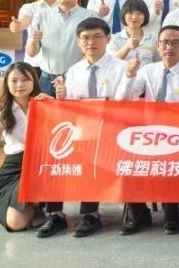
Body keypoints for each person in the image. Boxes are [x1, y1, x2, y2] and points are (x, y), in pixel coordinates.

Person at [39, 17, 128, 238]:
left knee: (90, 156)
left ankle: (91, 215)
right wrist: (61, 98)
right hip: (80, 131)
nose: (91, 42)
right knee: (53, 155)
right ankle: (55, 215)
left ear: (108, 39)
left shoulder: (122, 68)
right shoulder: (74, 70)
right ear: (78, 42)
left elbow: (127, 103)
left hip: (111, 132)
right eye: (85, 38)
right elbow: (68, 109)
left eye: (97, 37)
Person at [115, 25, 179, 236]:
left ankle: (171, 216)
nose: (169, 47)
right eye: (165, 43)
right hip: (147, 134)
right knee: (124, 159)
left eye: (175, 43)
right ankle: (139, 215)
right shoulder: (148, 70)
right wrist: (129, 75)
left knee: (169, 161)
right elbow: (123, 99)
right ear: (157, 45)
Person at [0, 62, 50, 232]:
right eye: (14, 80)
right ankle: (33, 207)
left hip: (40, 163)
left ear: (34, 81)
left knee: (32, 193)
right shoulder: (2, 107)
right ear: (6, 83)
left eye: (25, 79)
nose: (20, 85)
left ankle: (36, 203)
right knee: (15, 223)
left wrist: (54, 103)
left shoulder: (44, 103)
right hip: (14, 166)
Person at [26, 0, 98, 95]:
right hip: (47, 80)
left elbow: (94, 50)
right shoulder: (41, 16)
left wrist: (68, 75)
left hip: (78, 77)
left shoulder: (90, 16)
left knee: (75, 108)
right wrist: (33, 41)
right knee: (45, 108)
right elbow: (31, 53)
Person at [10, 0, 59, 67]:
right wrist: (17, 25)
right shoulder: (30, 8)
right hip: (35, 64)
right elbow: (23, 21)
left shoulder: (67, 8)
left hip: (61, 66)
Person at [110, 0, 159, 67]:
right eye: (130, 13)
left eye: (139, 13)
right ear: (124, 15)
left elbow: (159, 64)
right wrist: (127, 47)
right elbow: (110, 63)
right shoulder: (115, 39)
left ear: (145, 16)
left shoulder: (153, 38)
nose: (134, 17)